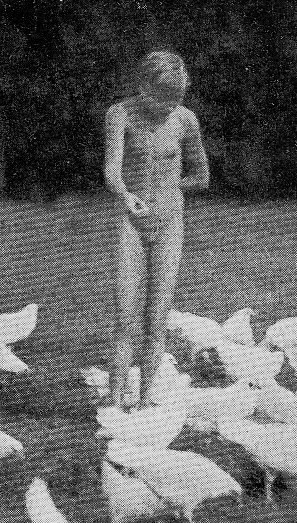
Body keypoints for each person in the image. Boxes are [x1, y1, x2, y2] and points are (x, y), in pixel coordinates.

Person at [103, 51, 209, 408]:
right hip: (132, 223)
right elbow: (112, 171)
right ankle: (115, 402)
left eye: (175, 100)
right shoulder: (120, 114)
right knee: (125, 314)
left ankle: (146, 402)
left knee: (157, 318)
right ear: (143, 87)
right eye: (162, 99)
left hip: (169, 224)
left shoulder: (186, 120)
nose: (168, 107)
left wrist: (173, 186)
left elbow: (201, 175)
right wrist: (126, 195)